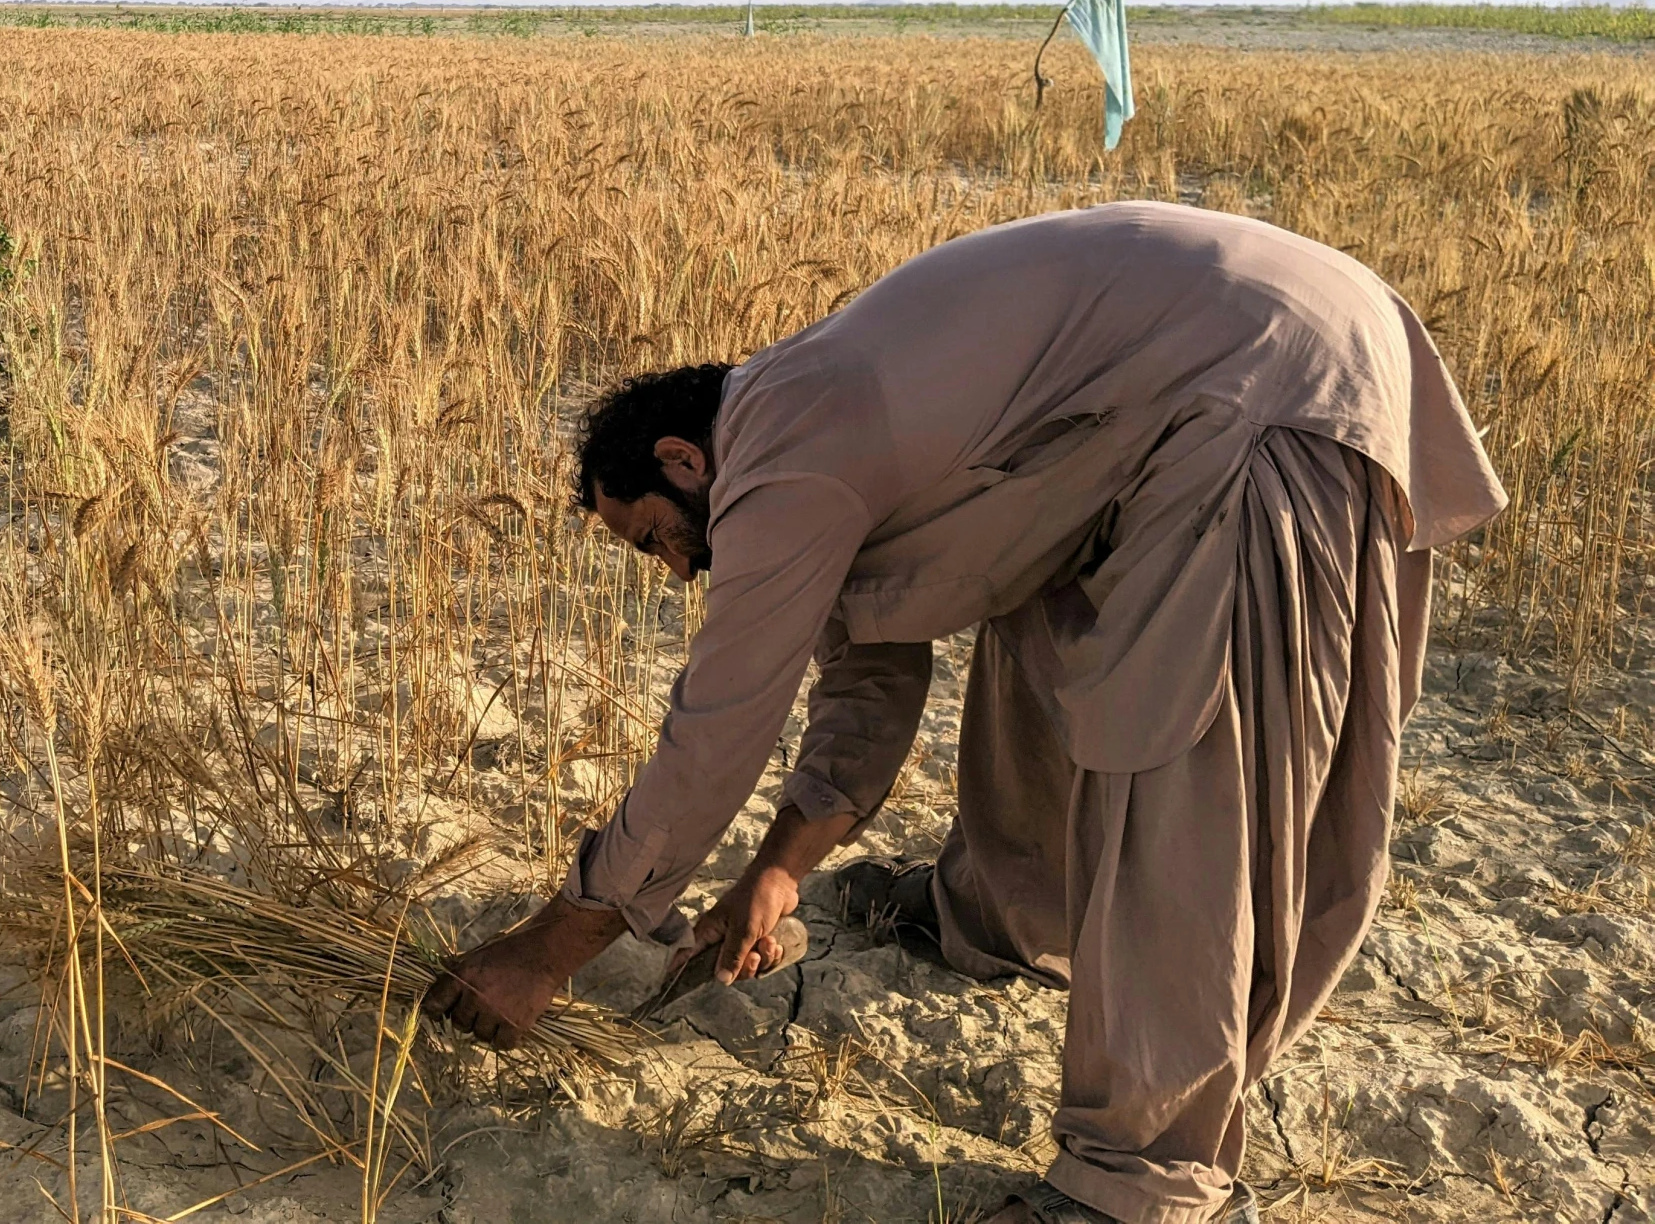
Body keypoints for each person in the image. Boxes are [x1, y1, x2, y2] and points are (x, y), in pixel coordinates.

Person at [418, 202, 1504, 1224]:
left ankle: (1137, 1183)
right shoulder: (824, 436)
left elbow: (714, 731)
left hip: (1258, 392)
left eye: (650, 534)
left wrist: (547, 949)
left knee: (1183, 773)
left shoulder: (781, 450)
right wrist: (776, 871)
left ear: (681, 459)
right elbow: (867, 681)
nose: (669, 566)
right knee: (1035, 625)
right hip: (1203, 378)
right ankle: (997, 916)